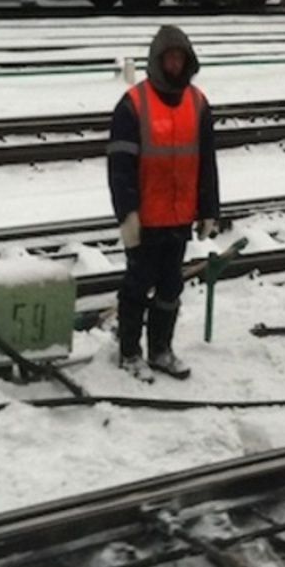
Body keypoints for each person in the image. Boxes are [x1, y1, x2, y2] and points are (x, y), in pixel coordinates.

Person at [107, 25, 219, 378]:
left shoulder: (198, 103)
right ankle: (129, 352)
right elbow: (120, 168)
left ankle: (161, 349)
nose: (174, 64)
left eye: (179, 57)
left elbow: (206, 162)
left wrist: (209, 210)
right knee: (137, 288)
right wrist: (127, 215)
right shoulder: (133, 105)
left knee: (171, 287)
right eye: (168, 57)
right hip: (146, 218)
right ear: (157, 60)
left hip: (179, 217)